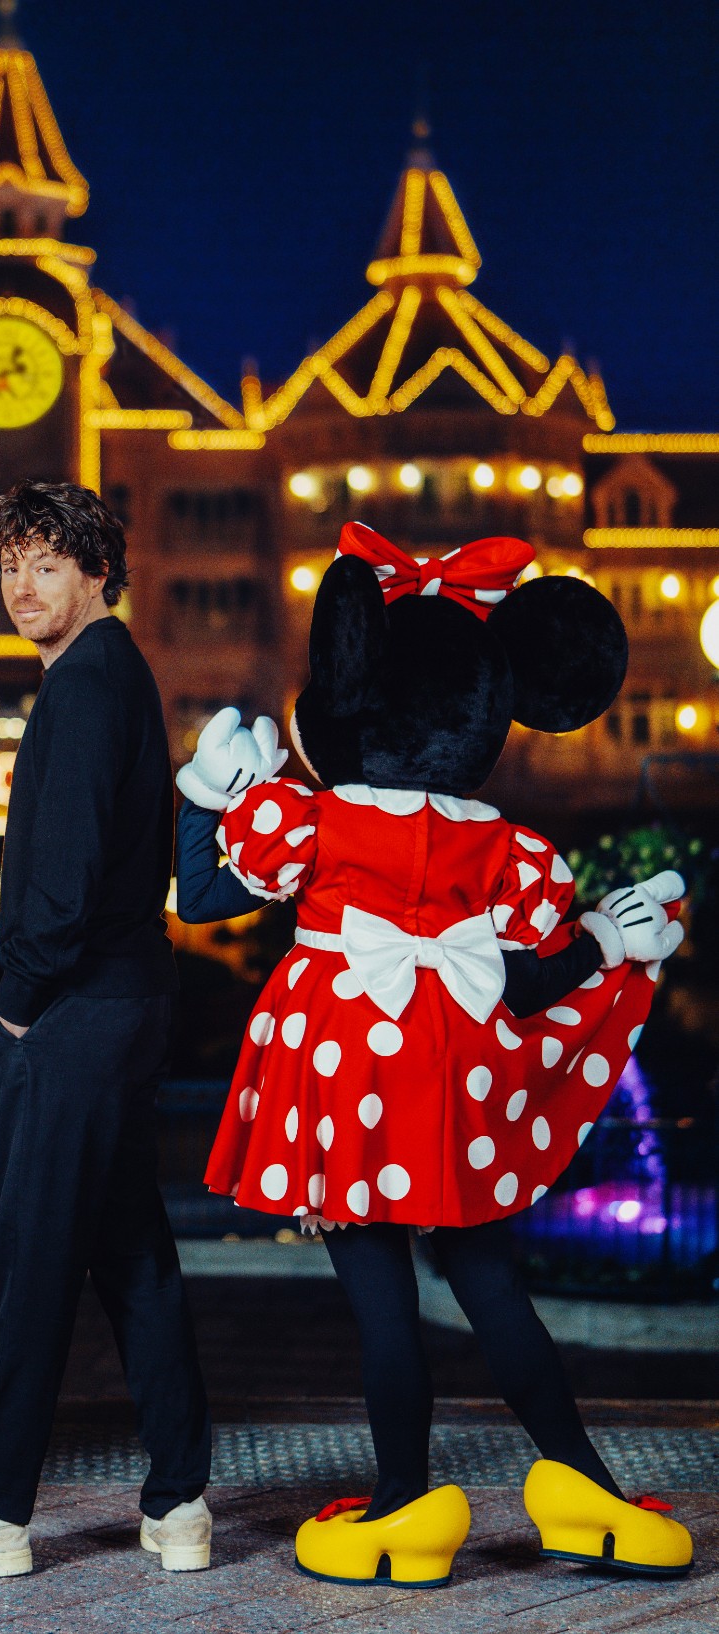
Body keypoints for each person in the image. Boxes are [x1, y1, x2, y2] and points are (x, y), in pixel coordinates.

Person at [175, 522, 692, 1588]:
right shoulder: (505, 848)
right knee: (491, 1283)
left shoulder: (308, 820)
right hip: (458, 1093)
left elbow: (204, 894)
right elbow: (530, 981)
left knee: (381, 1303)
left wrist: (204, 792)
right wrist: (608, 935)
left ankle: (404, 1508)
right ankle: (584, 1485)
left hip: (345, 1093)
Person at [0, 481, 212, 1577]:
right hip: (128, 1000)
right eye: (9, 565)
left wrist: (15, 1010)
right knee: (132, 1255)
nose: (22, 585)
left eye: (44, 563)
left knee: (31, 1256)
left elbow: (61, 891)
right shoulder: (118, 675)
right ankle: (180, 1500)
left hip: (71, 1014)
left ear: (94, 571)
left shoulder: (83, 686)